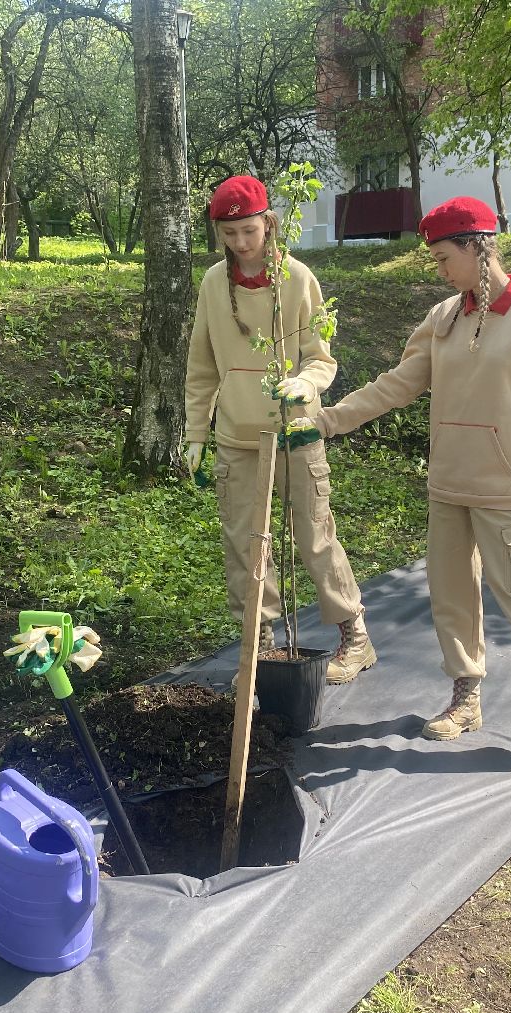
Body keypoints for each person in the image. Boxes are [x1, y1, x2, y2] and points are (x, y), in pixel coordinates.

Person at [284, 196, 511, 772]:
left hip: (509, 489)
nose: (438, 269)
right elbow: (395, 385)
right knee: (451, 597)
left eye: (443, 257)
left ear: (477, 246)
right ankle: (466, 697)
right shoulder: (443, 320)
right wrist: (324, 420)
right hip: (449, 486)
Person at [184, 174, 376, 682]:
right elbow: (202, 367)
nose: (241, 244)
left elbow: (321, 358)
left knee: (315, 538)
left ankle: (355, 636)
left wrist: (304, 385)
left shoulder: (296, 279)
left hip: (295, 435)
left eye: (248, 231)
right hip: (236, 439)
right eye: (229, 234)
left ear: (267, 223)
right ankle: (259, 643)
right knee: (246, 543)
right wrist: (196, 435)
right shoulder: (211, 285)